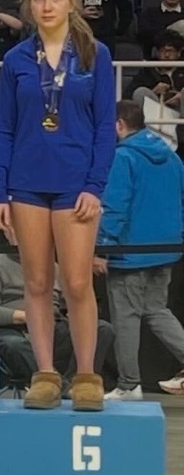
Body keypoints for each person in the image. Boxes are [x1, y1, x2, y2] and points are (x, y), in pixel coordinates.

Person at [0, 0, 116, 411]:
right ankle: (44, 374)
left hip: (75, 185)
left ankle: (86, 375)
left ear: (71, 3)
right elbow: (3, 129)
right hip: (25, 185)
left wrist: (95, 186)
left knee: (79, 283)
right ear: (30, 4)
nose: (46, 6)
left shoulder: (95, 55)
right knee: (38, 282)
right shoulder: (15, 60)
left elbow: (106, 127)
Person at [96, 100, 184, 399]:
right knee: (157, 311)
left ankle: (128, 384)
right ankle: (129, 383)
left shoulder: (123, 158)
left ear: (119, 124)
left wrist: (101, 249)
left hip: (130, 251)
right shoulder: (173, 158)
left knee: (126, 317)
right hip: (167, 248)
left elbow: (115, 207)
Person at [0, 251, 115, 391]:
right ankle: (61, 388)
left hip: (52, 328)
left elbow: (68, 307)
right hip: (12, 329)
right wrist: (29, 317)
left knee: (101, 329)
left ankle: (75, 384)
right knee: (13, 344)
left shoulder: (55, 268)